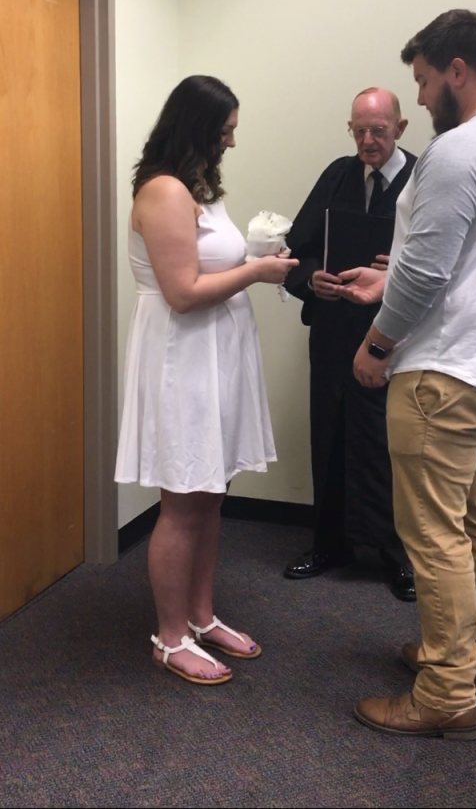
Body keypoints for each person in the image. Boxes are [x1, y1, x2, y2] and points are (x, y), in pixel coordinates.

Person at [340, 11, 476, 740]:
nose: (421, 98)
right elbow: (453, 259)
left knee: (434, 536)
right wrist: (387, 277)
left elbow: (428, 273)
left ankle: (445, 692)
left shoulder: (459, 147)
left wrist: (376, 344)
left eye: (424, 81)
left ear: (457, 70)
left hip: (444, 374)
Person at [115, 76, 298, 685]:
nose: (231, 143)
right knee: (183, 500)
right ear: (195, 127)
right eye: (225, 131)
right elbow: (183, 293)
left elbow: (209, 266)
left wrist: (254, 259)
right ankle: (170, 639)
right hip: (183, 358)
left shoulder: (199, 189)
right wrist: (256, 271)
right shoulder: (164, 191)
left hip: (216, 354)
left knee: (211, 494)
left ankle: (200, 615)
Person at [283, 88, 418, 601]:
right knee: (331, 434)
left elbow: (443, 257)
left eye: (378, 131)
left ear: (400, 128)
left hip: (395, 338)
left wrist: (398, 271)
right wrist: (311, 278)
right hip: (335, 333)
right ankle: (330, 543)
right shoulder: (338, 176)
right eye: (358, 130)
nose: (367, 140)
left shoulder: (422, 179)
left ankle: (399, 556)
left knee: (394, 445)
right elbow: (297, 249)